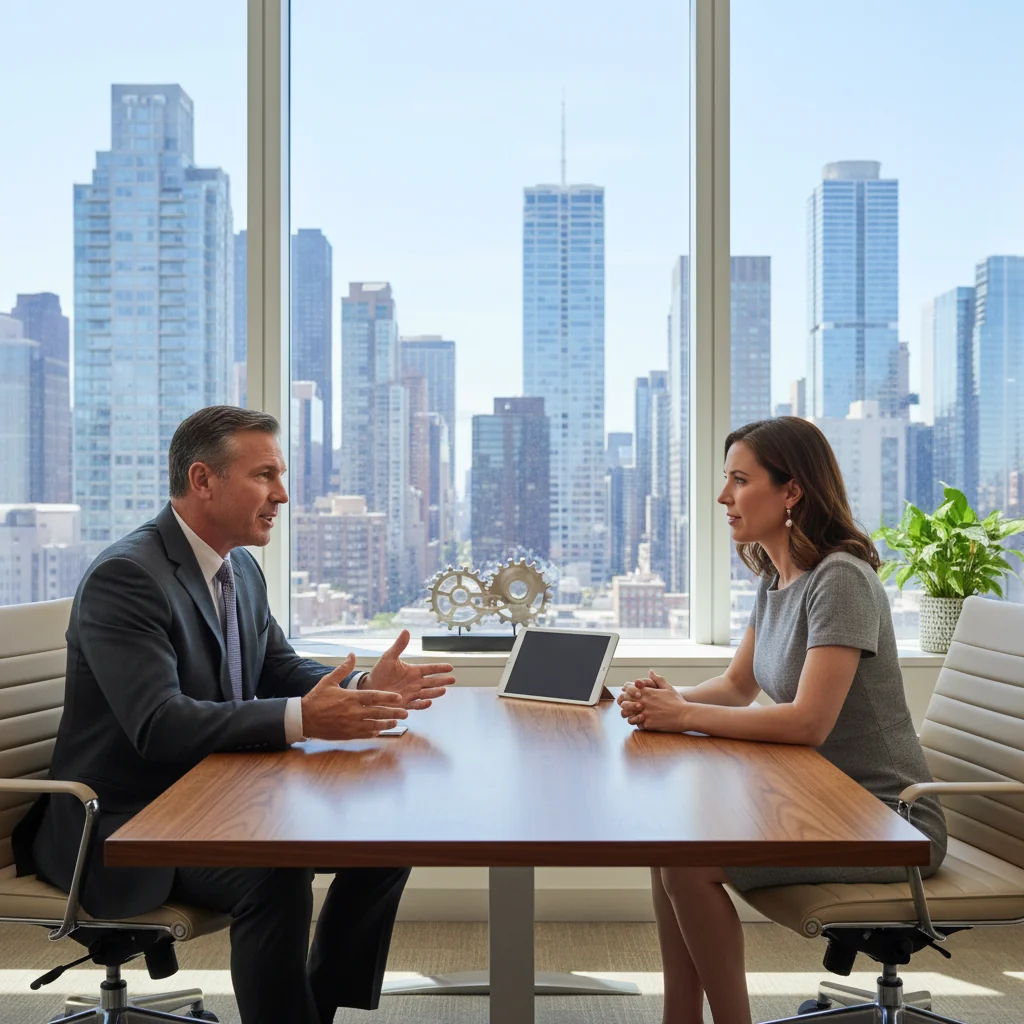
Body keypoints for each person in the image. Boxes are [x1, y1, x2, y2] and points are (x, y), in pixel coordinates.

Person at [13, 405, 456, 1024]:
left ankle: (315, 1009)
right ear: (203, 480)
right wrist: (305, 718)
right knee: (271, 873)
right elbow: (159, 725)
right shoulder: (128, 577)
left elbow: (279, 667)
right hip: (124, 822)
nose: (282, 494)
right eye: (264, 475)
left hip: (215, 796)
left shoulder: (238, 566)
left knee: (384, 840)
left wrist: (360, 687)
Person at [617, 417, 947, 1024]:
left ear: (791, 491)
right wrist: (662, 701)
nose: (724, 498)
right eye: (726, 481)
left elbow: (807, 724)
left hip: (885, 818)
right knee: (670, 846)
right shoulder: (776, 577)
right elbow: (737, 688)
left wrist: (684, 714)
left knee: (689, 864)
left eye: (740, 481)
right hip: (816, 801)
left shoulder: (840, 579)